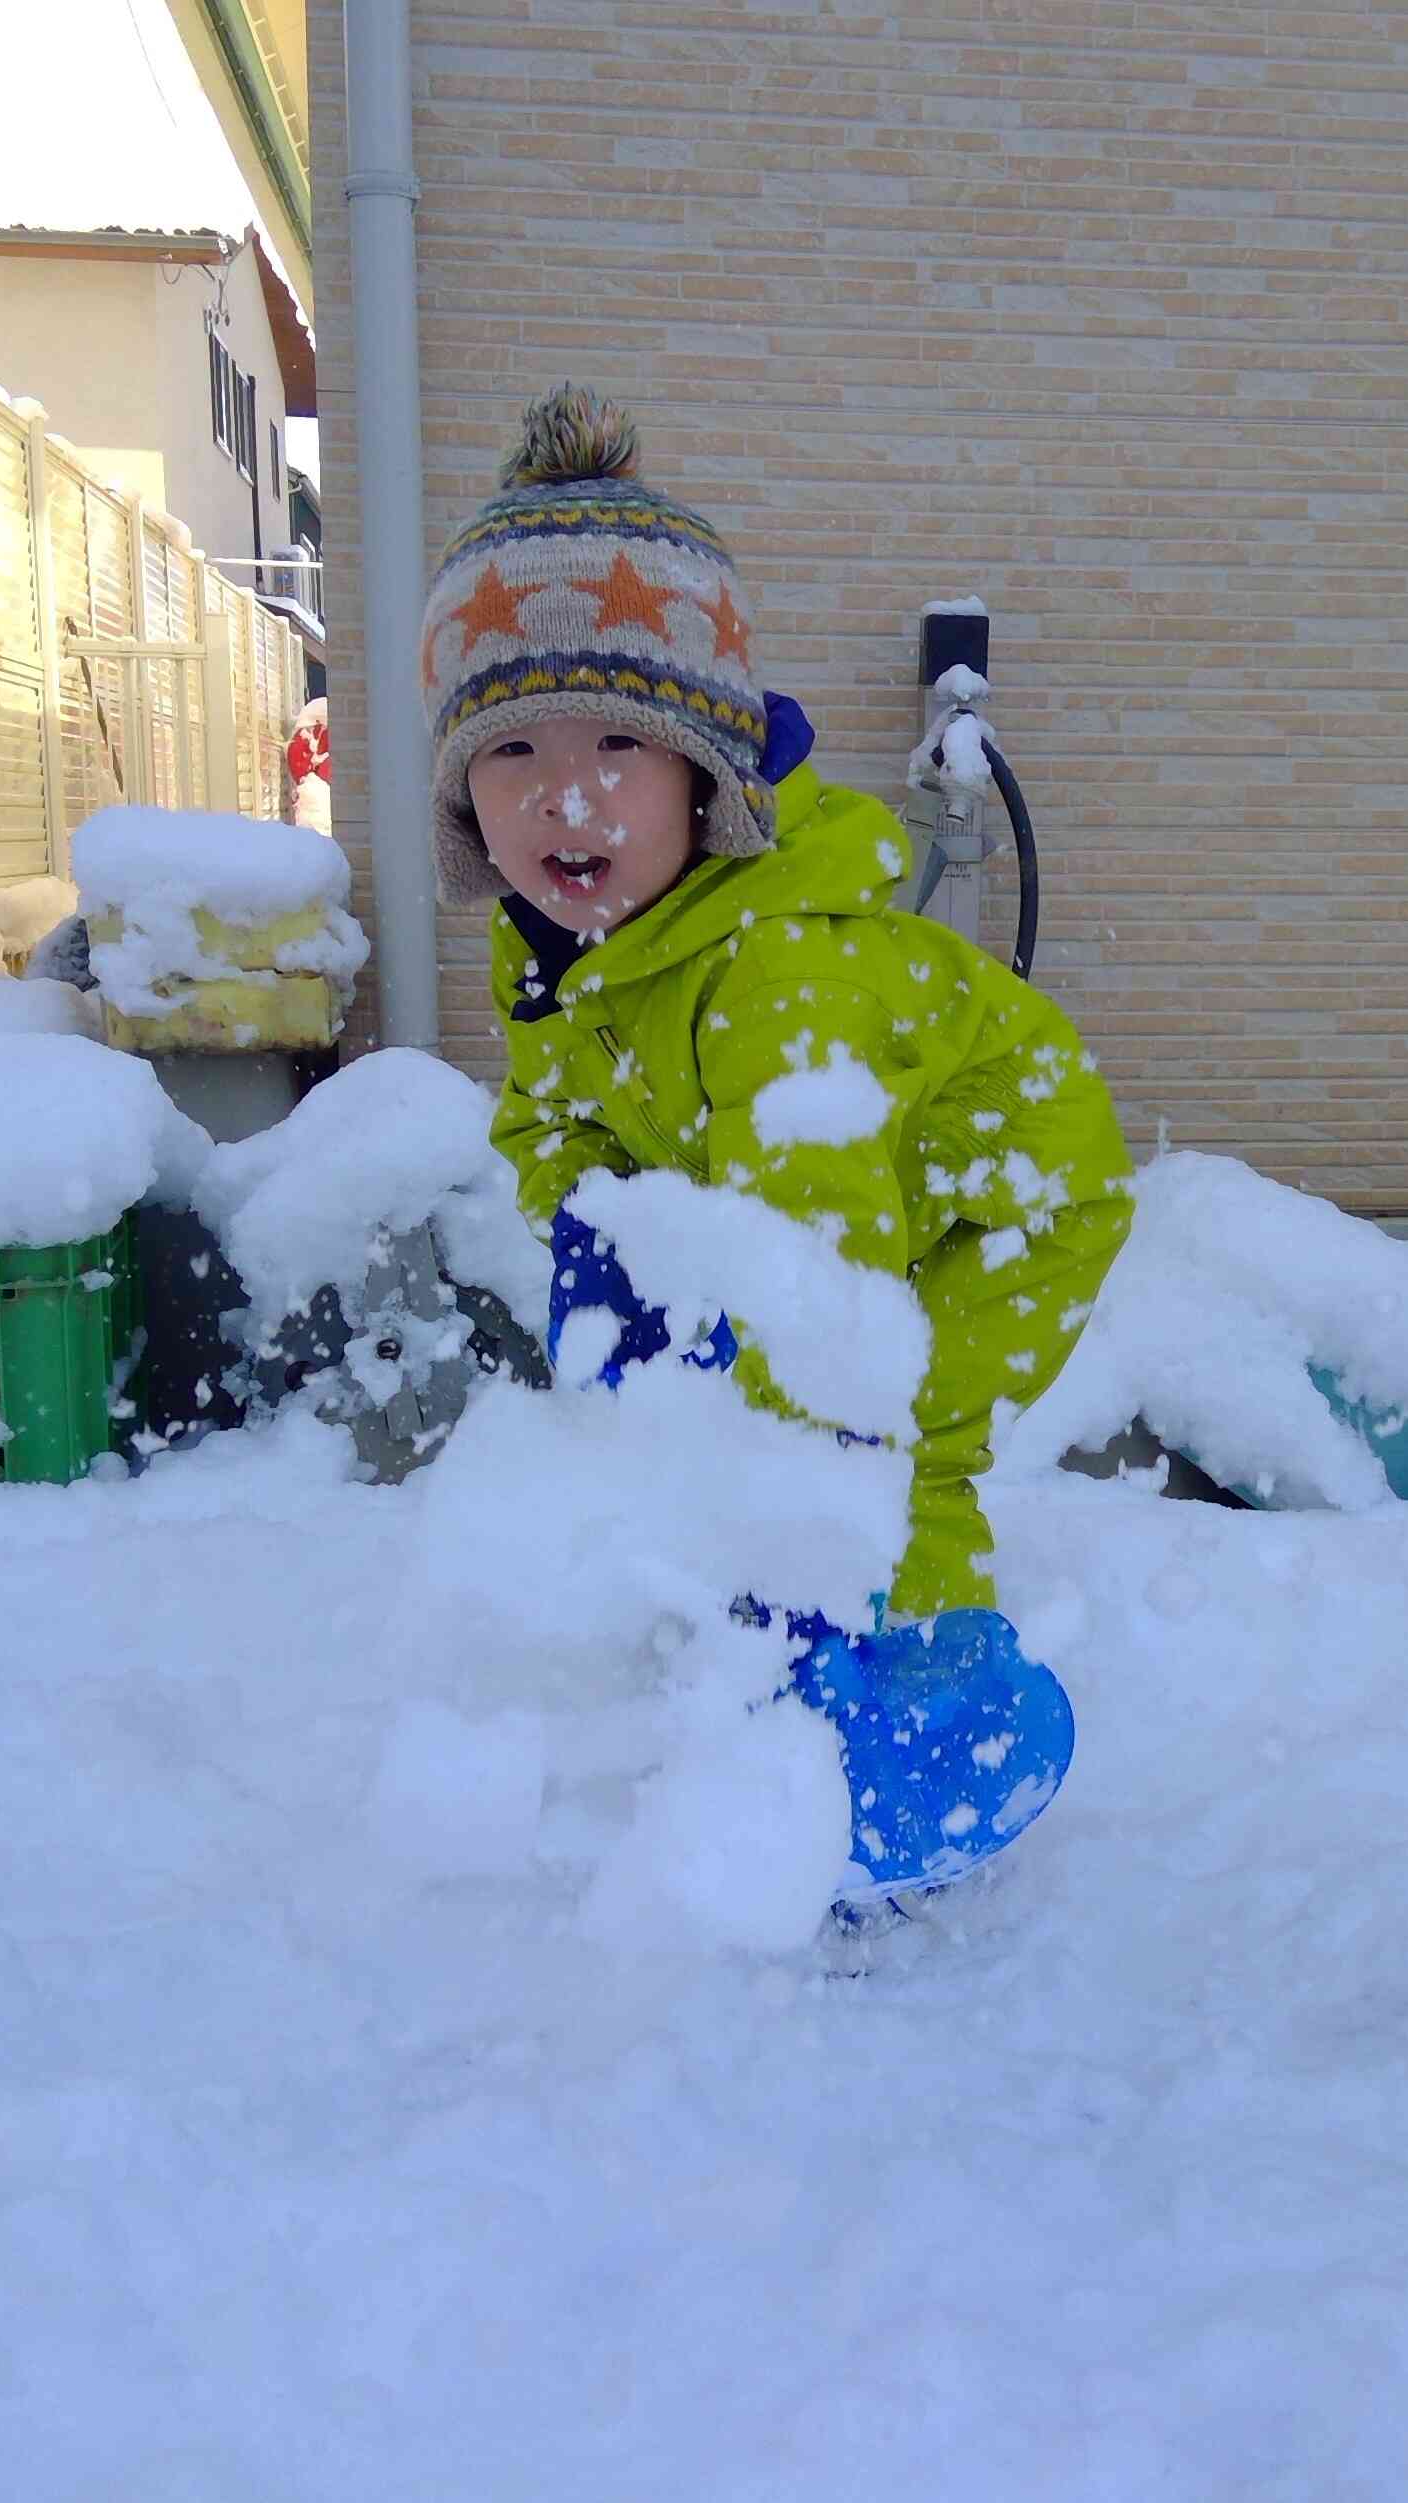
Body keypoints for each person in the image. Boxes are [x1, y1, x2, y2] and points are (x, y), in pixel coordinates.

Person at [419, 385, 1132, 1892]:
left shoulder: (779, 980)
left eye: (623, 737)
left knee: (890, 1435)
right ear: (463, 799)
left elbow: (831, 1310)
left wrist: (801, 1516)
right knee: (716, 1397)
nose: (568, 794)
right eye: (513, 751)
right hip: (794, 1193)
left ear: (707, 779)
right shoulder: (550, 939)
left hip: (992, 1194)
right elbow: (554, 1106)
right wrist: (596, 1239)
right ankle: (775, 1642)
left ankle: (916, 1711)